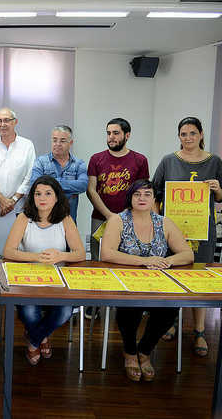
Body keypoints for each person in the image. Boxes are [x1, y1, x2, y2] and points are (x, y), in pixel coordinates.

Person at [152, 116, 222, 357]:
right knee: (172, 274)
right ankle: (171, 322)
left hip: (202, 230)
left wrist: (216, 188)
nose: (188, 138)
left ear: (201, 134)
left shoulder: (214, 160)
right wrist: (158, 223)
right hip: (172, 230)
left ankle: (199, 330)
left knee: (200, 277)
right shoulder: (168, 161)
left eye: (192, 133)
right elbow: (155, 192)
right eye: (183, 134)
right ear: (179, 136)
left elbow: (221, 196)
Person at [101, 179, 194, 382]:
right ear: (130, 198)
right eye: (137, 194)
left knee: (170, 309)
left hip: (158, 285)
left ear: (154, 199)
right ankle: (129, 352)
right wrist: (145, 261)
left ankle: (144, 351)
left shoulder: (164, 222)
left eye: (147, 194)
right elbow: (106, 254)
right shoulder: (118, 220)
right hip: (126, 284)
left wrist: (166, 261)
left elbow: (188, 254)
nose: (142, 198)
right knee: (131, 308)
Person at [3, 175, 85, 365]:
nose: (42, 198)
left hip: (58, 281)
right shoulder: (24, 218)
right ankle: (42, 338)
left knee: (64, 312)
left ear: (57, 197)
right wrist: (36, 257)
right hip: (28, 279)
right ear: (32, 197)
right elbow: (8, 251)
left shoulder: (65, 219)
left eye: (48, 193)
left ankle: (34, 340)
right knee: (29, 313)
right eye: (38, 193)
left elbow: (80, 253)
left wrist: (60, 256)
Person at [85, 117, 149, 319]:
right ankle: (95, 303)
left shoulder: (140, 160)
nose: (111, 137)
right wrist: (109, 215)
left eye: (116, 133)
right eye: (108, 133)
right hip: (100, 218)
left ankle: (127, 302)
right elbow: (91, 190)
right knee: (98, 260)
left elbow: (142, 192)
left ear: (127, 135)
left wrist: (124, 217)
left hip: (129, 219)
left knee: (128, 259)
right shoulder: (96, 159)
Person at [0, 107, 36, 256]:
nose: (3, 124)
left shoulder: (27, 145)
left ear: (15, 122)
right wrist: (2, 200)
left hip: (18, 207)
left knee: (17, 249)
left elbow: (30, 175)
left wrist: (13, 200)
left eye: (6, 120)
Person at [30, 125, 88, 222]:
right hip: (44, 220)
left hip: (69, 219)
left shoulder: (79, 164)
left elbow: (83, 185)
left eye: (62, 141)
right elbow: (34, 183)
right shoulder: (41, 162)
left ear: (70, 143)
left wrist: (50, 184)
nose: (57, 144)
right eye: (54, 140)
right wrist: (69, 187)